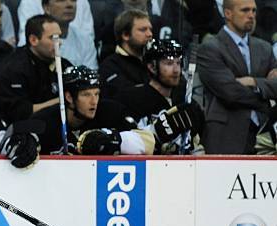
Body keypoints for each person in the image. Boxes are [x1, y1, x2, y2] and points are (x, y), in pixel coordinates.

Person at [198, 0, 277, 154]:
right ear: (227, 13)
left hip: (265, 132)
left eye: (254, 11)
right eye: (245, 10)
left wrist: (254, 82)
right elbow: (230, 92)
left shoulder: (265, 48)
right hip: (226, 134)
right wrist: (265, 96)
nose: (251, 15)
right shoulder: (210, 48)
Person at [32, 64, 155, 155]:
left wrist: (113, 140)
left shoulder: (111, 111)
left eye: (96, 94)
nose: (94, 101)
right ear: (69, 97)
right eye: (86, 94)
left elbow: (148, 141)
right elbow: (19, 138)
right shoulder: (44, 120)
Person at [117, 39, 204, 153]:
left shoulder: (185, 102)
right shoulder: (133, 100)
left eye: (178, 63)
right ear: (152, 67)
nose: (176, 70)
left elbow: (194, 141)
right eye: (169, 63)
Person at [0, 14, 72, 123]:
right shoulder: (12, 69)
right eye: (53, 38)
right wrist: (63, 101)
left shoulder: (63, 65)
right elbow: (20, 112)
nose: (59, 42)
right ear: (33, 40)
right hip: (14, 129)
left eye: (59, 37)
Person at [98, 9, 153, 99]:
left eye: (150, 29)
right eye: (143, 30)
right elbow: (127, 97)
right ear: (125, 35)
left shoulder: (153, 61)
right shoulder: (109, 67)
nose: (149, 34)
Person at [42, 0, 98, 69]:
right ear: (47, 8)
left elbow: (91, 76)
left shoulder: (85, 40)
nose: (69, 5)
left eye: (73, 0)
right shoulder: (34, 40)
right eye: (61, 1)